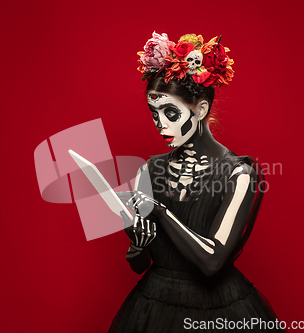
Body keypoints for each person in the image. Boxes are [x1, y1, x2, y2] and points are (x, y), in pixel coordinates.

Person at [109, 32, 284, 333]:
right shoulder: (148, 171)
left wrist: (161, 212)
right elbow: (140, 265)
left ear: (200, 110)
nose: (160, 124)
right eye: (155, 113)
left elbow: (212, 262)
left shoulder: (238, 174)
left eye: (171, 112)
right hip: (154, 304)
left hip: (219, 311)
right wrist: (138, 246)